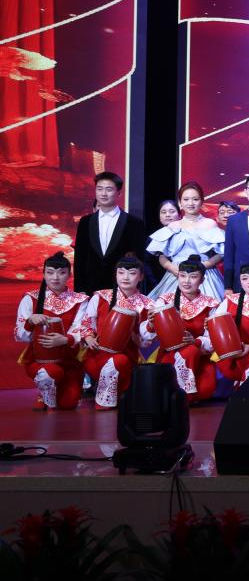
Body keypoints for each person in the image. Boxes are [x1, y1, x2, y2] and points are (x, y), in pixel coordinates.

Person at [70, 255, 155, 409]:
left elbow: (146, 341)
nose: (125, 277)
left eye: (132, 273)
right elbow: (87, 323)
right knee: (118, 362)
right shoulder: (100, 297)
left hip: (130, 359)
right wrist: (89, 338)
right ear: (115, 274)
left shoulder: (148, 304)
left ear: (141, 276)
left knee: (121, 362)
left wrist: (146, 327)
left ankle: (113, 392)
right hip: (97, 355)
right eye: (121, 272)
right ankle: (105, 397)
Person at [15, 252, 87, 410]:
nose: (55, 278)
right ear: (43, 274)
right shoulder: (30, 298)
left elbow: (80, 328)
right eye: (50, 272)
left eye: (62, 273)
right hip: (39, 360)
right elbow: (21, 335)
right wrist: (29, 321)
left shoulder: (80, 300)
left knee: (69, 404)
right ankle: (44, 392)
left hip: (69, 360)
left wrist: (65, 339)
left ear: (69, 274)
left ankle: (59, 388)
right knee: (49, 373)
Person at [146, 255, 223, 403]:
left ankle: (178, 396)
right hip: (170, 354)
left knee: (206, 389)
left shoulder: (211, 304)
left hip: (199, 355)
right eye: (182, 276)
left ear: (202, 280)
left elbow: (214, 339)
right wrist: (151, 323)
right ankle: (181, 398)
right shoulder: (164, 301)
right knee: (189, 351)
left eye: (193, 277)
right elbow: (147, 337)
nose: (186, 281)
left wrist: (196, 341)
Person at [147, 182, 225, 301]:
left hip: (205, 276)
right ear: (180, 202)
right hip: (176, 275)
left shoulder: (209, 224)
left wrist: (202, 267)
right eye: (186, 199)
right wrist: (171, 267)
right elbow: (162, 256)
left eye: (195, 199)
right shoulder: (173, 226)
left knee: (208, 308)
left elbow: (221, 253)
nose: (190, 203)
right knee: (169, 308)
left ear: (202, 201)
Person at [74, 171, 149, 294]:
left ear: (119, 193)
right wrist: (79, 290)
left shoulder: (134, 223)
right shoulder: (85, 222)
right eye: (99, 189)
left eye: (109, 189)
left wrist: (135, 290)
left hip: (122, 289)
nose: (103, 193)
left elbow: (139, 260)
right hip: (91, 287)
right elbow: (80, 258)